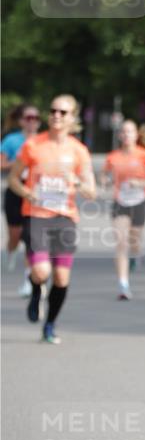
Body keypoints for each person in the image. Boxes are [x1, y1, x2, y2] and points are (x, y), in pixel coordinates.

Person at [8, 94, 96, 345]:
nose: (56, 115)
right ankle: (36, 290)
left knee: (61, 278)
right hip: (36, 216)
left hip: (65, 218)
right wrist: (28, 193)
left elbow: (91, 192)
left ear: (73, 118)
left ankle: (50, 324)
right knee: (40, 270)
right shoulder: (34, 145)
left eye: (63, 112)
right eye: (53, 110)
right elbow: (14, 179)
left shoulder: (79, 151)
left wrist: (76, 180)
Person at [100, 120, 145, 299]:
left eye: (130, 132)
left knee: (134, 240)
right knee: (121, 243)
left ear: (136, 135)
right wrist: (104, 180)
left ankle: (135, 256)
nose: (127, 135)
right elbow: (104, 175)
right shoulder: (113, 157)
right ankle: (123, 285)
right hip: (120, 202)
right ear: (119, 136)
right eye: (124, 132)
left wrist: (140, 183)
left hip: (139, 201)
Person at [1, 103, 41, 294]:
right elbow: (1, 164)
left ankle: (28, 279)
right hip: (15, 191)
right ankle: (10, 250)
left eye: (36, 118)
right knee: (15, 236)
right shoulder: (11, 140)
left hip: (34, 194)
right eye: (28, 118)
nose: (32, 122)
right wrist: (17, 164)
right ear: (21, 121)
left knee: (30, 237)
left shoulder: (43, 141)